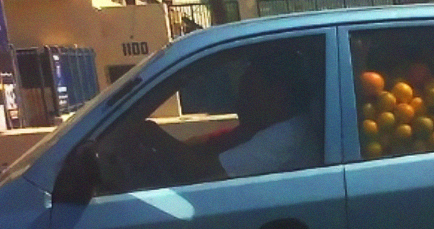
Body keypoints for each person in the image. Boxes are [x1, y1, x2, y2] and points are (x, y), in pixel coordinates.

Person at [127, 50, 321, 185]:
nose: (239, 104)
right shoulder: (270, 126)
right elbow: (215, 144)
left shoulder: (286, 136)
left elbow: (203, 171)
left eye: (248, 94)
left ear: (277, 94)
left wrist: (150, 133)